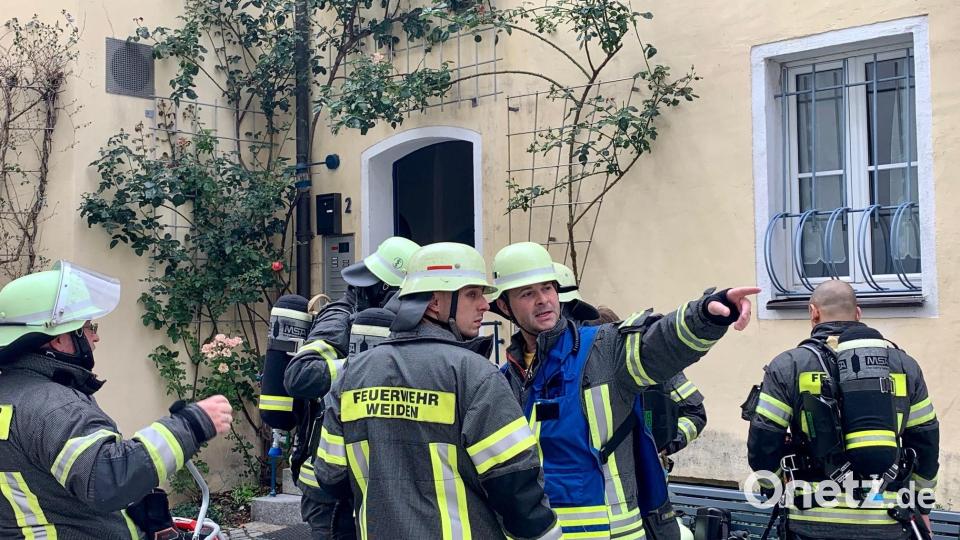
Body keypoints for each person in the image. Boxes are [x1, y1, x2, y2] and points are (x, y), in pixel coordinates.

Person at [490, 242, 758, 539]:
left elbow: (660, 341)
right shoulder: (504, 378)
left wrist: (706, 316)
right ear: (504, 306)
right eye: (527, 293)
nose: (543, 300)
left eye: (547, 288)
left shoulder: (605, 349)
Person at [314, 242, 561, 539]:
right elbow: (515, 486)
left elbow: (331, 475)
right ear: (434, 302)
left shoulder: (353, 373)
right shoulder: (475, 375)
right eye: (472, 294)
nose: (485, 305)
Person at [0, 261, 233, 539]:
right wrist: (191, 425)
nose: (96, 337)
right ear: (59, 338)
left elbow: (45, 488)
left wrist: (134, 512)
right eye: (89, 326)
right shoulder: (53, 406)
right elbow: (108, 479)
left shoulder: (12, 396)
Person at [746, 280, 939, 540]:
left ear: (813, 312)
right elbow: (926, 444)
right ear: (858, 313)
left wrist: (775, 489)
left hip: (810, 520)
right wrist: (921, 506)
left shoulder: (788, 365)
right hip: (889, 520)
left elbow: (763, 443)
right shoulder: (904, 366)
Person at [283, 236, 419, 540]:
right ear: (382, 288)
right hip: (328, 489)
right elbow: (300, 375)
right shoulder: (338, 319)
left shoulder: (385, 325)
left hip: (368, 479)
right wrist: (363, 367)